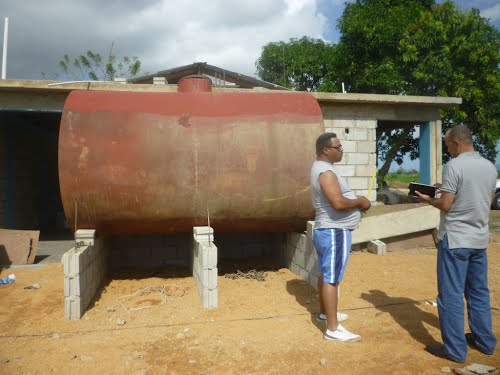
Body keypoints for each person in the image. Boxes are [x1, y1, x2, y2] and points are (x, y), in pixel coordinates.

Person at [416, 124, 497, 362]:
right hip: (479, 239)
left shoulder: (454, 166)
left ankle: (454, 350)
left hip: (455, 239)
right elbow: (484, 199)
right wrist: (448, 190)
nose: (447, 148)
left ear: (457, 143)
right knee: (479, 292)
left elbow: (446, 205)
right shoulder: (489, 166)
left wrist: (428, 198)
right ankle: (485, 342)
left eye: (448, 143)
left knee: (450, 295)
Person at [310, 132, 371, 342]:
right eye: (338, 147)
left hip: (327, 229)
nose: (341, 150)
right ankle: (333, 329)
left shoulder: (323, 169)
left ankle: (325, 314)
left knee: (325, 272)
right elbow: (337, 202)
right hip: (334, 230)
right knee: (332, 278)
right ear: (326, 150)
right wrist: (361, 201)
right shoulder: (326, 172)